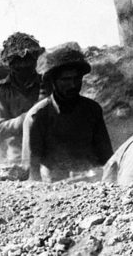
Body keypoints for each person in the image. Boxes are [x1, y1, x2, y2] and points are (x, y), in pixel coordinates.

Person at [22, 43, 113, 182]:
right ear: (53, 81)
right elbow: (31, 172)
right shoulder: (37, 116)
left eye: (77, 79)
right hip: (53, 187)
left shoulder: (92, 110)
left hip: (92, 184)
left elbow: (107, 159)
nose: (73, 85)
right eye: (66, 80)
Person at [0, 32, 45, 164]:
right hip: (18, 157)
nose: (24, 67)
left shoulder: (47, 84)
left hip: (47, 154)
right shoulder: (0, 90)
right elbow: (0, 128)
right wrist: (28, 118)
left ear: (35, 60)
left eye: (29, 62)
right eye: (18, 63)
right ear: (10, 64)